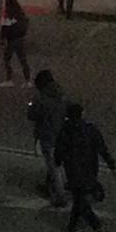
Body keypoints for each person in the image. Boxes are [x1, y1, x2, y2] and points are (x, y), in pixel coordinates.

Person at [54, 103, 116, 232]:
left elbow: (59, 151)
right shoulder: (90, 129)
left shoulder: (65, 131)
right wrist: (110, 163)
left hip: (74, 171)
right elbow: (101, 147)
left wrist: (58, 162)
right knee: (79, 199)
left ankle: (97, 229)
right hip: (90, 170)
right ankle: (72, 225)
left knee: (80, 201)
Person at [28, 69, 68, 207]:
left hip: (48, 136)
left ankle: (60, 196)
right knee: (54, 164)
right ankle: (48, 186)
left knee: (53, 166)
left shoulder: (41, 99)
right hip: (62, 134)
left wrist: (31, 104)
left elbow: (32, 115)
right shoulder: (61, 94)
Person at [0, 0, 31, 87]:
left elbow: (4, 30)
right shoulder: (20, 15)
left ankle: (9, 79)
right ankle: (27, 80)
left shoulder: (8, 16)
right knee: (23, 60)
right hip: (20, 39)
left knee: (7, 59)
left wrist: (2, 39)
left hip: (11, 40)